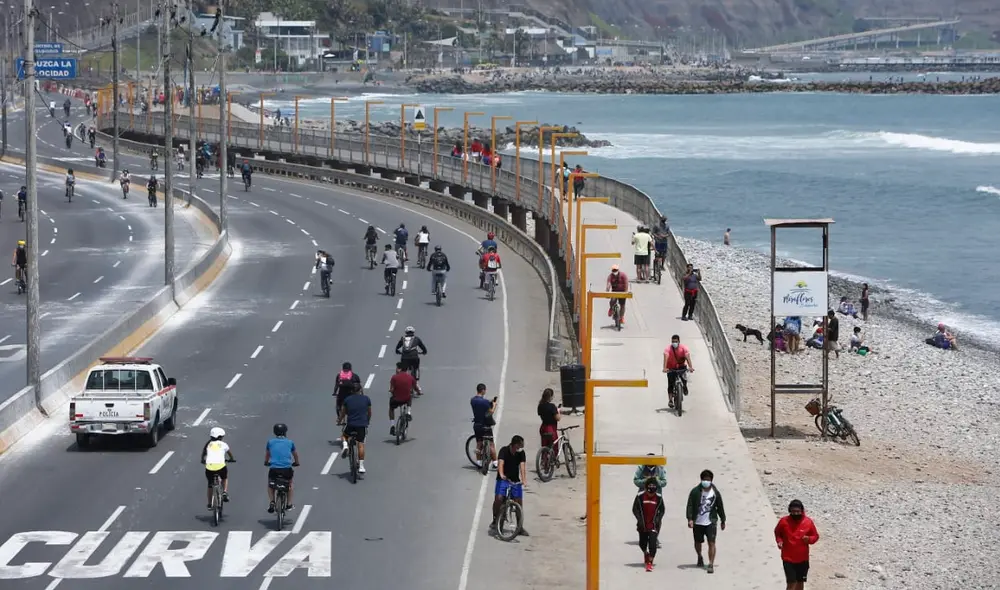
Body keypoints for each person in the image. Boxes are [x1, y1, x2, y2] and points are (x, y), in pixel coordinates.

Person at [686, 469, 727, 574]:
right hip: (698, 522)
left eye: (708, 479)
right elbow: (690, 505)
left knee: (712, 542)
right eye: (704, 479)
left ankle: (710, 564)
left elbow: (720, 507)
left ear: (711, 480)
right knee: (697, 542)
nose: (706, 481)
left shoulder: (715, 493)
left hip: (711, 521)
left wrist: (723, 520)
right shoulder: (695, 492)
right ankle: (699, 556)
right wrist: (690, 519)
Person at [774, 499, 820, 590]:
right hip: (788, 558)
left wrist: (809, 539)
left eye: (798, 512)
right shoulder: (783, 521)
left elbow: (815, 536)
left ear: (802, 511)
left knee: (800, 582)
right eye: (793, 512)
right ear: (789, 511)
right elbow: (777, 532)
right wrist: (779, 541)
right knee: (791, 582)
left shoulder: (808, 522)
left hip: (803, 559)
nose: (795, 514)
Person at [492, 434, 528, 537]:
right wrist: (502, 474)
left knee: (519, 502)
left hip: (515, 480)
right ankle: (495, 520)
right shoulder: (504, 450)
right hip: (503, 479)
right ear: (514, 445)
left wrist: (524, 480)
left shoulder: (521, 454)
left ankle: (519, 527)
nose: (521, 448)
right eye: (520, 446)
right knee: (499, 498)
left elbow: (522, 467)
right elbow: (501, 464)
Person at [265, 423, 300, 513]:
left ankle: (272, 501)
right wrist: (296, 462)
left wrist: (266, 462)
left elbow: (268, 454)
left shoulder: (270, 442)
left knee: (270, 485)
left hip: (274, 469)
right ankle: (289, 504)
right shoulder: (290, 442)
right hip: (286, 469)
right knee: (290, 484)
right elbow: (295, 454)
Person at [633, 477, 665, 572]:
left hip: (653, 526)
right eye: (649, 490)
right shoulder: (640, 497)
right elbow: (635, 509)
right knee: (642, 543)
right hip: (642, 525)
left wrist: (658, 519)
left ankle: (650, 562)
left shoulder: (659, 498)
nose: (651, 494)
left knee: (653, 545)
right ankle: (645, 553)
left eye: (653, 490)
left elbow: (662, 510)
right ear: (646, 488)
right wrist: (639, 519)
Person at [339, 382, 372, 473]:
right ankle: (361, 466)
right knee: (360, 444)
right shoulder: (366, 399)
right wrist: (367, 421)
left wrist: (339, 420)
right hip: (362, 425)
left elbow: (343, 413)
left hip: (351, 425)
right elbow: (369, 413)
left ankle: (345, 446)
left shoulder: (347, 400)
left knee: (344, 435)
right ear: (360, 390)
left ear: (351, 391)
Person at [201, 426, 235, 509]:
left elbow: (203, 456)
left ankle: (209, 504)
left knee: (210, 485)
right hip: (221, 467)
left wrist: (203, 461)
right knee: (224, 478)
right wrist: (231, 459)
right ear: (220, 437)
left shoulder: (208, 444)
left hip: (209, 468)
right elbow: (230, 454)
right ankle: (224, 492)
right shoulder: (223, 444)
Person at [663, 334, 694, 410]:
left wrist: (690, 367)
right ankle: (670, 400)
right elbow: (666, 357)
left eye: (676, 341)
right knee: (670, 384)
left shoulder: (683, 348)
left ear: (679, 341)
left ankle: (685, 387)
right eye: (673, 341)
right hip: (671, 368)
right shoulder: (668, 349)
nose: (674, 343)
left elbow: (687, 357)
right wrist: (664, 368)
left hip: (681, 367)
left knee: (684, 379)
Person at [472, 383, 498, 469]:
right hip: (485, 426)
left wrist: (488, 402)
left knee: (479, 443)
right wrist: (494, 405)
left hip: (477, 425)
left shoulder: (472, 400)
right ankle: (495, 463)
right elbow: (490, 412)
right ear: (483, 390)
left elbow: (481, 406)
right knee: (491, 445)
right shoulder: (485, 402)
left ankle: (479, 463)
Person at [388, 361, 416, 436]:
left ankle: (392, 425)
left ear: (399, 369)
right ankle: (408, 413)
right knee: (410, 396)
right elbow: (415, 387)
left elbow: (391, 389)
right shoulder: (411, 377)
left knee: (391, 408)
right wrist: (418, 391)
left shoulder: (394, 377)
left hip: (396, 400)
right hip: (406, 399)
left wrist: (391, 391)